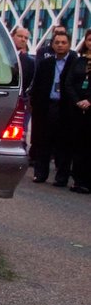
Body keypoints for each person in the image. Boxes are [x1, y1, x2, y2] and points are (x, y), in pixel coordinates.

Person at [28, 31, 81, 186]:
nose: (60, 45)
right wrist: (35, 104)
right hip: (46, 106)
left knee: (64, 144)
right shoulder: (46, 63)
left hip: (66, 108)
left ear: (69, 45)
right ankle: (40, 173)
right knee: (42, 141)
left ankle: (61, 177)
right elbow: (37, 85)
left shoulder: (75, 62)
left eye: (63, 42)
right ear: (52, 44)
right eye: (57, 42)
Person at [65, 54, 91, 194]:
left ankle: (87, 182)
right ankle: (77, 180)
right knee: (77, 145)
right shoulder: (79, 61)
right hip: (76, 109)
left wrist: (89, 101)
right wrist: (77, 101)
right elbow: (69, 82)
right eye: (88, 40)